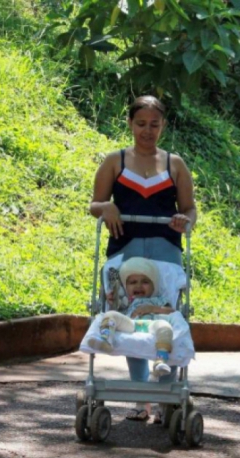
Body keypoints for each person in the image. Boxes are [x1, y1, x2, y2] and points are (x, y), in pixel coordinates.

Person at [89, 95, 197, 422]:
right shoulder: (114, 161)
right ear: (129, 124)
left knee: (166, 313)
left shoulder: (175, 164)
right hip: (125, 248)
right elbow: (95, 203)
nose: (147, 131)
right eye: (140, 124)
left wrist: (185, 220)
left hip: (165, 250)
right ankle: (141, 396)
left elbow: (189, 209)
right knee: (129, 314)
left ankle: (164, 393)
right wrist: (106, 208)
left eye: (154, 124)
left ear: (163, 125)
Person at [88, 257, 176, 378]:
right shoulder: (125, 301)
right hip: (130, 325)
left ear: (153, 285)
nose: (138, 286)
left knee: (165, 327)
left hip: (151, 325)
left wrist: (151, 308)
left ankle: (160, 361)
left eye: (145, 282)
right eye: (133, 282)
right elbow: (116, 309)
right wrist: (111, 300)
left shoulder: (158, 299)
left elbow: (171, 311)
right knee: (110, 315)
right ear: (126, 287)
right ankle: (105, 340)